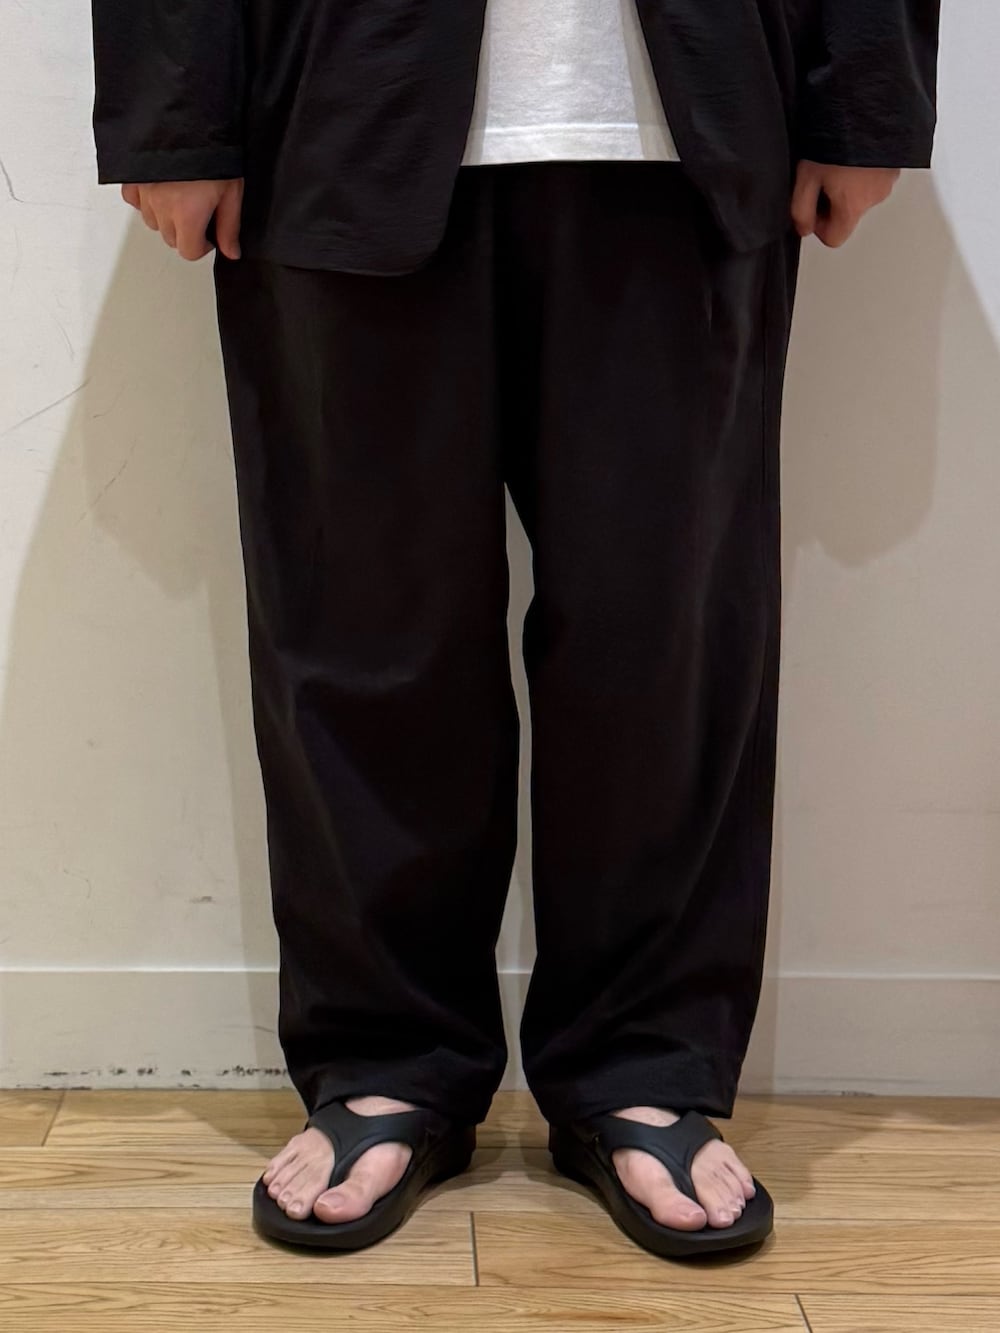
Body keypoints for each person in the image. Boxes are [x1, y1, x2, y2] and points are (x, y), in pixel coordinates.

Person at [90, 0, 940, 1259]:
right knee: (360, 626)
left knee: (664, 638)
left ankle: (642, 1064)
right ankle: (386, 1058)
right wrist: (172, 116)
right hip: (333, 100)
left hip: (687, 124)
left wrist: (865, 92)